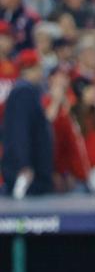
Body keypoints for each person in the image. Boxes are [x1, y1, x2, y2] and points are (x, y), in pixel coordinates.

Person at [1, 49, 53, 196]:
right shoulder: (23, 92)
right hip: (27, 173)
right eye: (39, 68)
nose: (42, 72)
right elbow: (19, 132)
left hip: (31, 170)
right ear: (30, 68)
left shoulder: (29, 91)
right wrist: (23, 164)